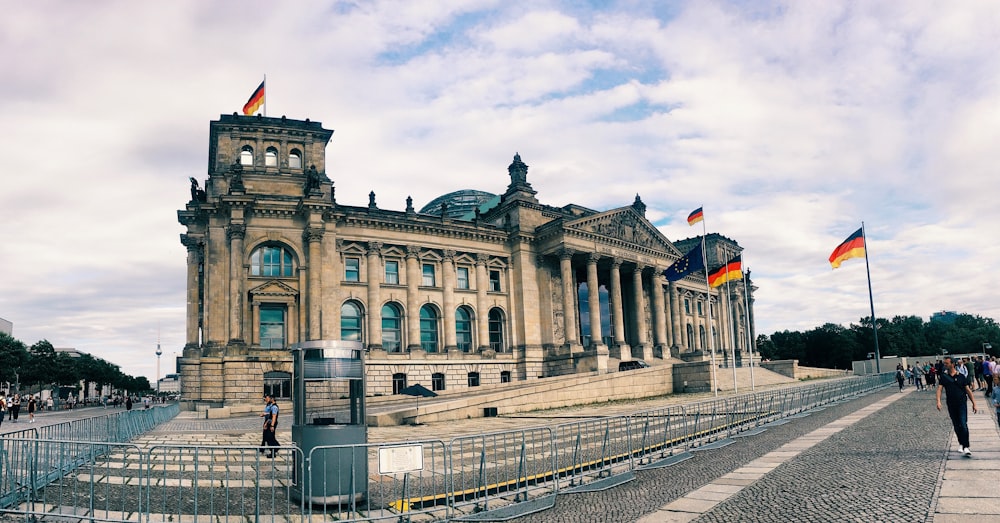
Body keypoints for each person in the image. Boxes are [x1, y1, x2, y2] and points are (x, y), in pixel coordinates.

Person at [937, 356, 979, 457]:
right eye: (944, 363)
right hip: (951, 404)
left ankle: (966, 446)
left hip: (961, 404)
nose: (945, 365)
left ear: (952, 364)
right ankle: (961, 442)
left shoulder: (961, 377)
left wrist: (974, 403)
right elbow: (939, 389)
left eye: (946, 363)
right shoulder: (943, 377)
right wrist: (938, 401)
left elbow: (968, 390)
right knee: (956, 425)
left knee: (963, 424)